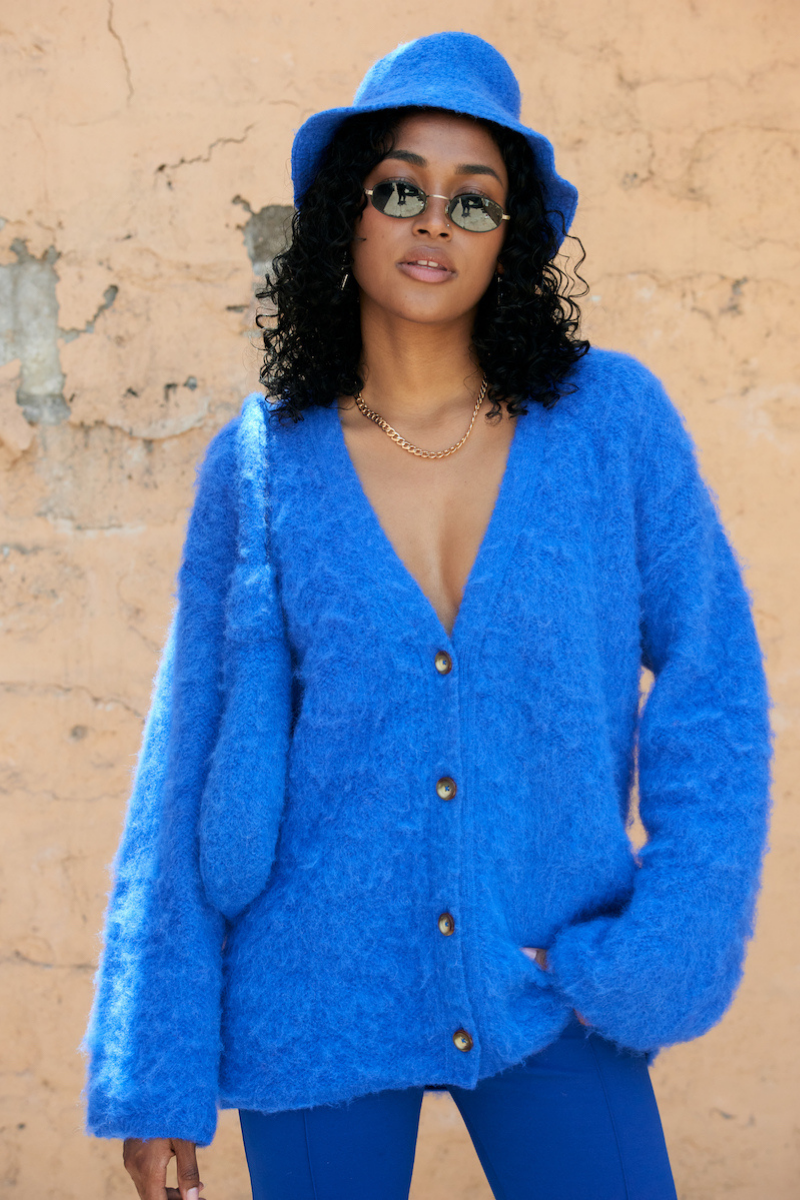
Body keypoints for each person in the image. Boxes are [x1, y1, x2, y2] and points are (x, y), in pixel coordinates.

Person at [80, 31, 772, 1200]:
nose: (433, 222)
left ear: (512, 235)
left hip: (546, 975)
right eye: (400, 188)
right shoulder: (263, 464)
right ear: (345, 215)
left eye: (473, 199)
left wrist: (660, 947)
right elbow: (182, 760)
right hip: (311, 991)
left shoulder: (609, 425)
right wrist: (156, 1076)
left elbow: (713, 689)